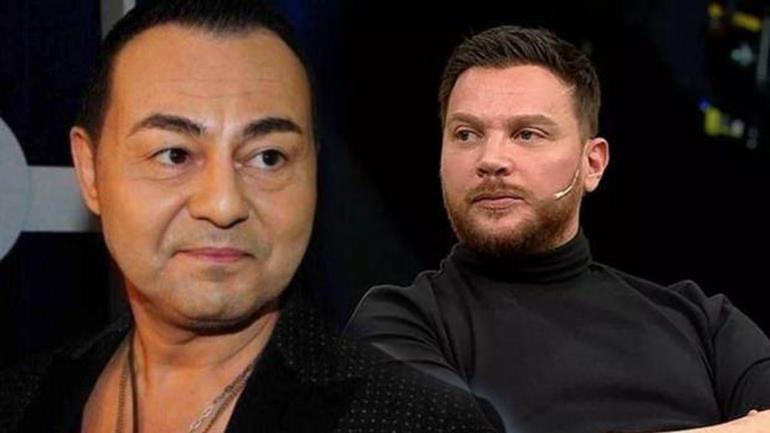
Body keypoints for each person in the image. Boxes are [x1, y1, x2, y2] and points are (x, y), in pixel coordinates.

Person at [0, 2, 497, 432]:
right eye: (174, 154)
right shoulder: (20, 400)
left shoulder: (417, 421)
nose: (223, 205)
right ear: (90, 171)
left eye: (268, 157)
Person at [346, 25, 770, 433]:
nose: (491, 159)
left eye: (527, 134)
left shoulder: (703, 323)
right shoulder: (397, 323)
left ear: (592, 164)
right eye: (466, 134)